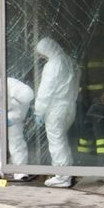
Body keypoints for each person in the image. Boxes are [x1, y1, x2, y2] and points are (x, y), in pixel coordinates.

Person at [32, 36, 78, 188]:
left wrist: (39, 111)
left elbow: (46, 90)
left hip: (56, 108)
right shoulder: (69, 61)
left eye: (42, 53)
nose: (42, 57)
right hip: (69, 105)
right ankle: (67, 172)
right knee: (62, 139)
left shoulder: (53, 65)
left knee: (56, 140)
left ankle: (62, 176)